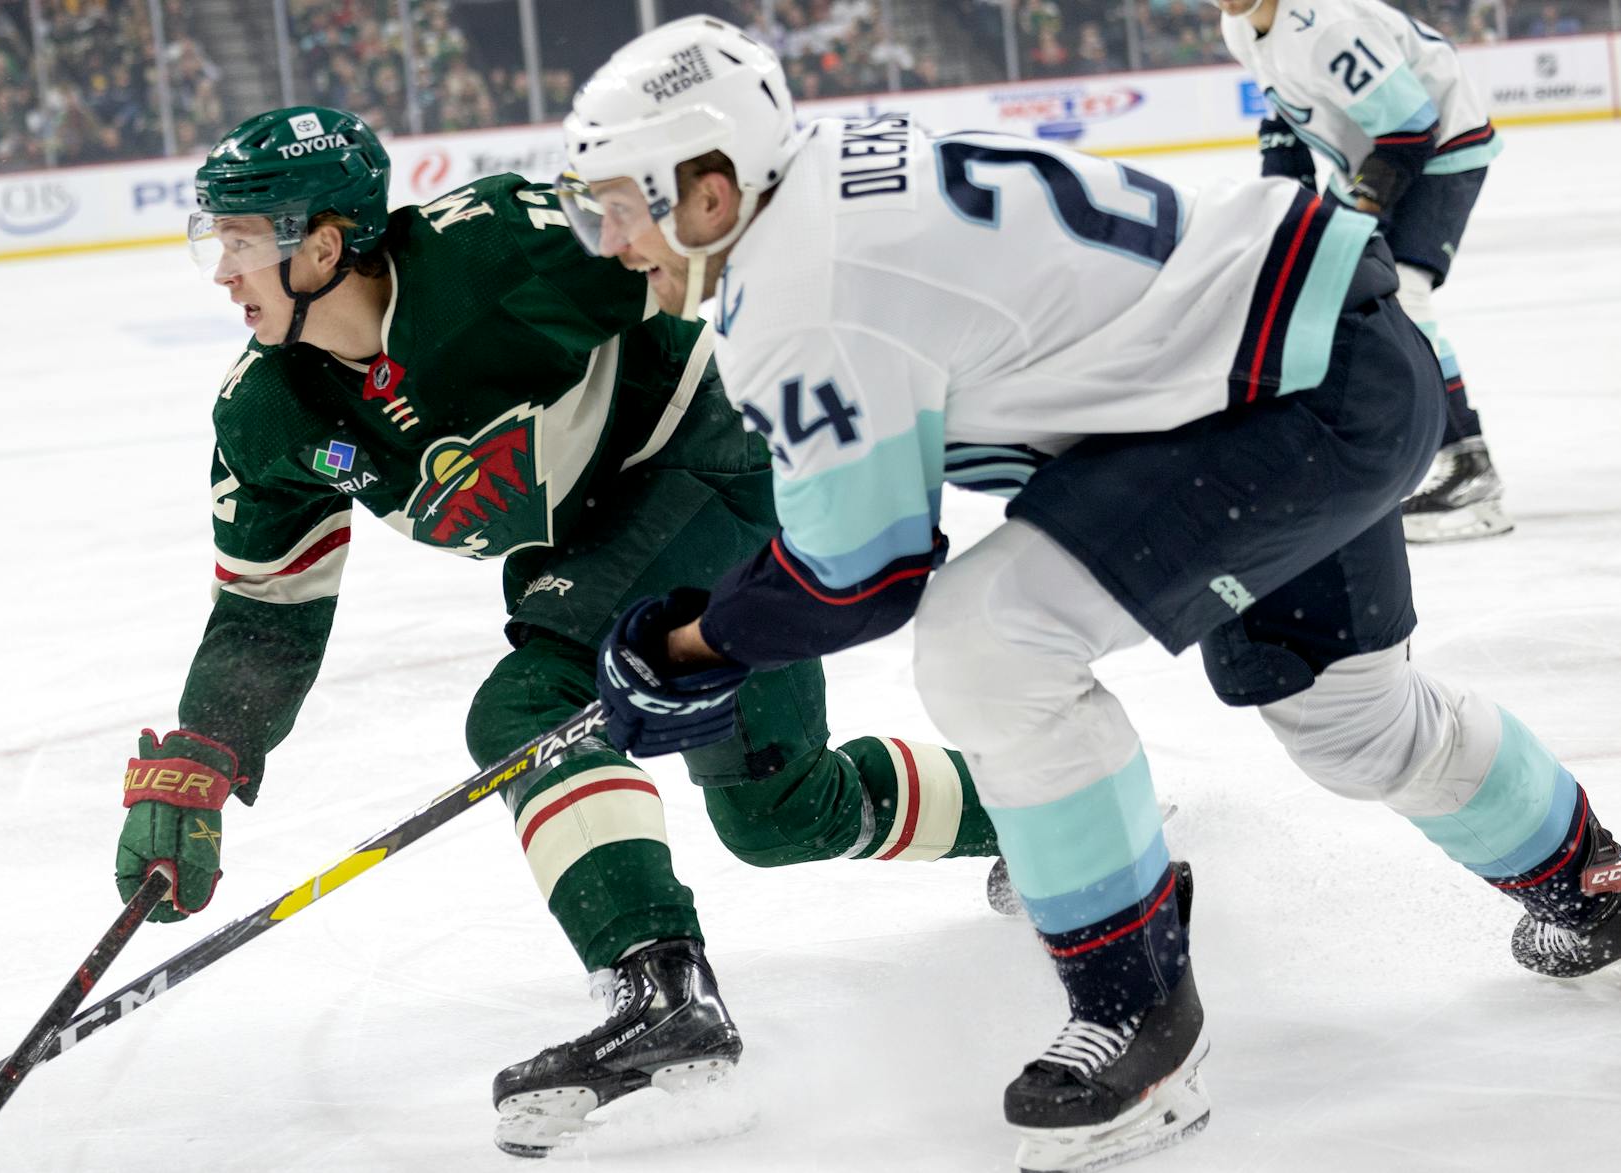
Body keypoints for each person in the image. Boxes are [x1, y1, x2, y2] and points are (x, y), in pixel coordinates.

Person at [559, 17, 1621, 1173]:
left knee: (989, 643)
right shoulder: (832, 182)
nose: (608, 242)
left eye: (618, 204)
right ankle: (1600, 885)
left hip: (1278, 404)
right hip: (1318, 359)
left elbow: (861, 578)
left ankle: (1139, 1012)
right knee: (1353, 722)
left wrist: (692, 644)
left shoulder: (798, 292)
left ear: (711, 190)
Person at [113, 106, 1003, 1158]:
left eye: (243, 241)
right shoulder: (273, 418)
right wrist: (211, 751)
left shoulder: (496, 248)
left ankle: (661, 991)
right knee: (779, 812)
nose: (223, 271)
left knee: (533, 706)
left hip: (716, 460)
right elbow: (268, 608)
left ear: (322, 245)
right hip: (581, 550)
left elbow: (705, 254)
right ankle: (1057, 817)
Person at [1220, 0, 1510, 542]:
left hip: (1443, 148)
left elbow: (1413, 128)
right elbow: (1286, 115)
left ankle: (1469, 465)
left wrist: (1361, 206)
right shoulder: (1238, 27)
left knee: (1402, 297)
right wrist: (1283, 206)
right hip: (1377, 154)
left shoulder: (1327, 24)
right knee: (1323, 291)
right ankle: (1352, 450)